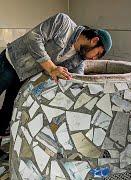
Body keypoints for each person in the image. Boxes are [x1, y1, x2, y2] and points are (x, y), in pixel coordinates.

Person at [0, 13, 112, 159]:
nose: (94, 59)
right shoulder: (63, 23)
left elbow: (78, 80)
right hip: (11, 62)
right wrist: (52, 68)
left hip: (24, 76)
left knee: (8, 110)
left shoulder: (79, 59)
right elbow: (33, 38)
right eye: (97, 54)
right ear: (94, 40)